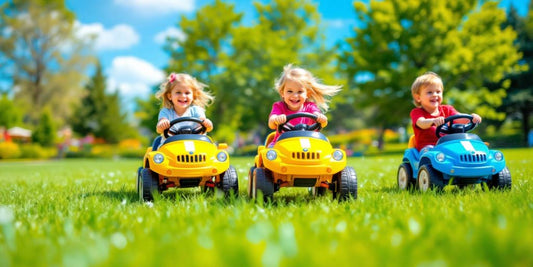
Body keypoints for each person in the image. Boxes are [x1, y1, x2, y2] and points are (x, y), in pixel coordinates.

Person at [268, 64, 341, 146]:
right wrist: (276, 119)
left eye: (300, 92)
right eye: (289, 91)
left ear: (307, 93)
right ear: (282, 93)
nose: (295, 96)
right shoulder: (279, 106)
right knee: (271, 153)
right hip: (282, 145)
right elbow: (271, 123)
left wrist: (320, 118)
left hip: (308, 145)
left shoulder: (310, 107)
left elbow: (322, 122)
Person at [410, 72, 482, 151]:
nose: (435, 95)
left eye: (438, 92)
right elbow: (421, 123)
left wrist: (472, 118)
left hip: (448, 146)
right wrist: (433, 121)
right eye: (429, 92)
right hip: (429, 148)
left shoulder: (447, 109)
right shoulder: (417, 112)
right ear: (418, 97)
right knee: (430, 152)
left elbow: (460, 118)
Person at [155, 73, 214, 147]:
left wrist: (207, 123)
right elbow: (159, 129)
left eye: (187, 93)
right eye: (178, 92)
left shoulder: (196, 110)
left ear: (193, 96)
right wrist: (162, 124)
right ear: (170, 96)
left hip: (196, 145)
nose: (183, 96)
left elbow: (204, 123)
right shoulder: (166, 112)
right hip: (171, 146)